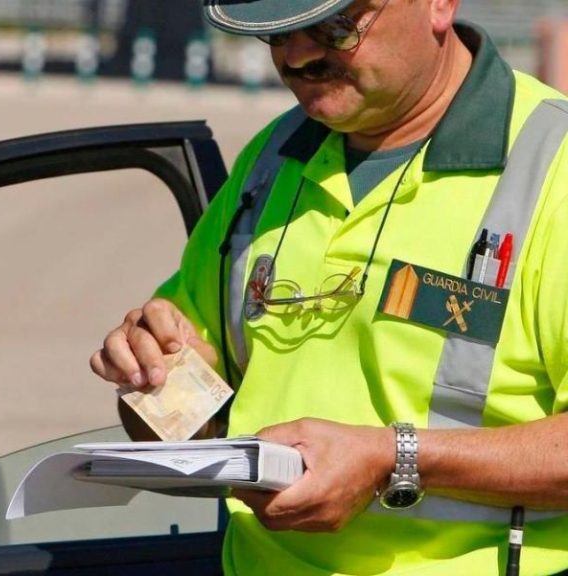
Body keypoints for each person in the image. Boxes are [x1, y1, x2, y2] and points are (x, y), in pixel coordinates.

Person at [91, 0, 568, 574]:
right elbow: (191, 424)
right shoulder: (271, 160)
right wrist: (152, 376)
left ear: (438, 5)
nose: (297, 55)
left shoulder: (551, 168)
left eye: (334, 26)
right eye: (278, 33)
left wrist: (395, 459)